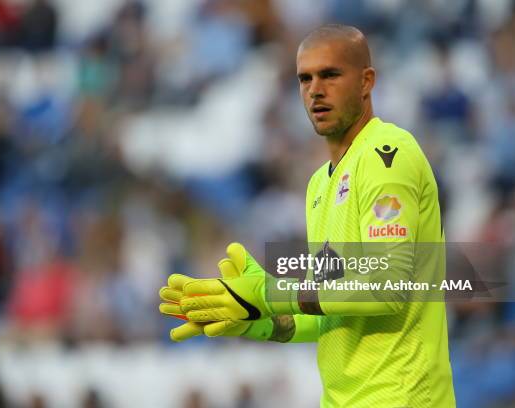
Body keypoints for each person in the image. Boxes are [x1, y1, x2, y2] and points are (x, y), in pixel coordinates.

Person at [159, 24, 456, 408]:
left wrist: (270, 293)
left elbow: (386, 284)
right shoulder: (320, 185)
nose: (315, 89)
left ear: (367, 81)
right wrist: (259, 321)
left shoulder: (388, 154)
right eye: (305, 78)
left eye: (330, 74)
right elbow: (331, 310)